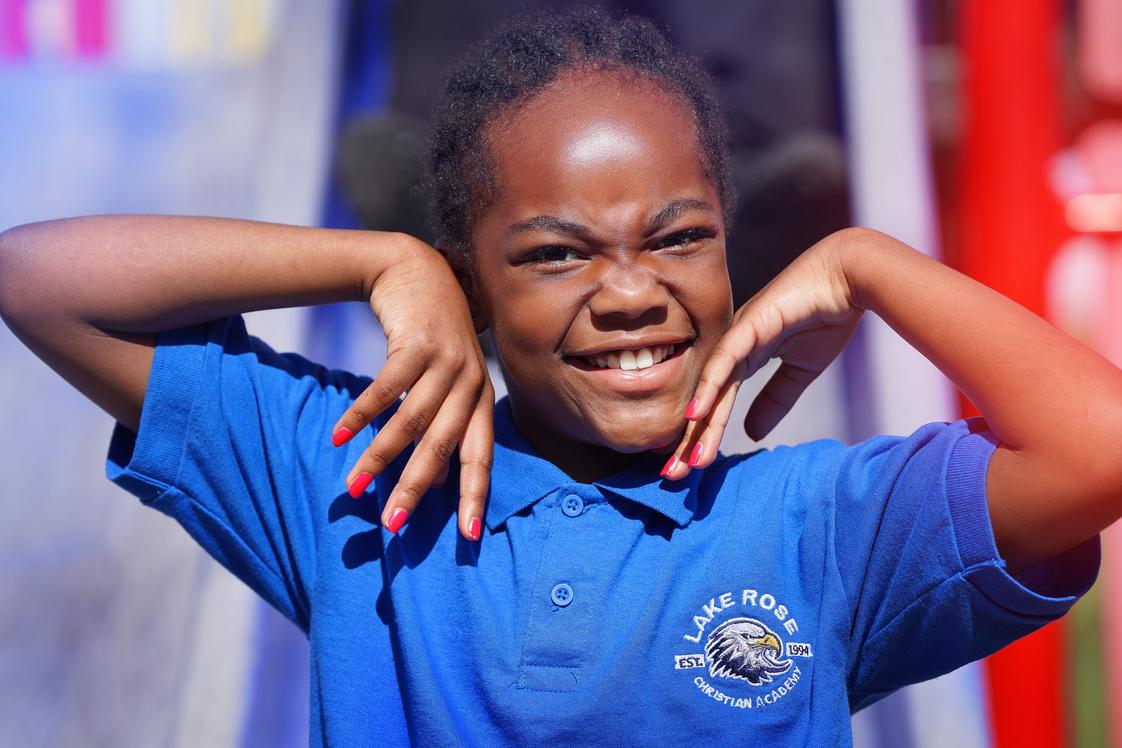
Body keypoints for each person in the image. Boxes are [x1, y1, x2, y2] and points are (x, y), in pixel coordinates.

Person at [0, 8, 1116, 746]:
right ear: (474, 288)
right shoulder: (372, 478)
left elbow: (1097, 447)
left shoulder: (820, 525)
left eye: (680, 238)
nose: (629, 291)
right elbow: (41, 278)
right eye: (553, 254)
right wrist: (377, 260)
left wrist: (872, 263)